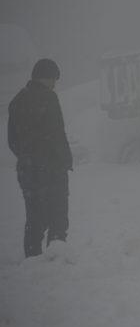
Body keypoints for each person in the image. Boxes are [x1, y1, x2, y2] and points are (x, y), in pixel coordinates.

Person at [7, 59, 73, 257]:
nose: (55, 84)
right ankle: (56, 256)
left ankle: (32, 258)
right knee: (57, 216)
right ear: (46, 78)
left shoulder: (17, 100)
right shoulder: (48, 98)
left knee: (34, 217)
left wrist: (28, 157)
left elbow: (12, 141)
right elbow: (57, 135)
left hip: (28, 170)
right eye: (54, 79)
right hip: (51, 169)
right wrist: (62, 161)